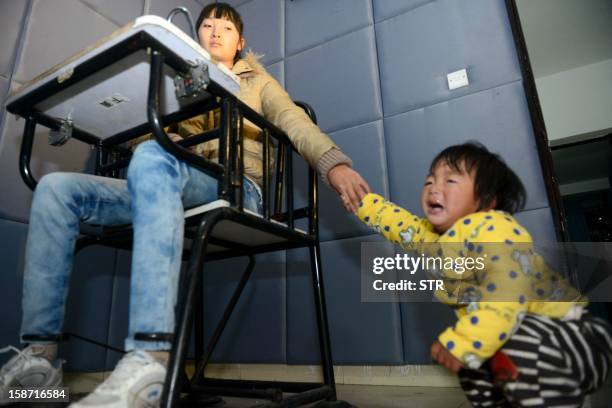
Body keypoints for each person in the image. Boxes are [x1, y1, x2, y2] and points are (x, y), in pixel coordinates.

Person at [0, 3, 370, 407]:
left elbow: (294, 121)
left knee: (153, 159)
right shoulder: (178, 78)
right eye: (206, 25)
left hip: (238, 191)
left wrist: (334, 165)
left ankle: (150, 361)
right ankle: (39, 364)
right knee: (56, 188)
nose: (213, 31)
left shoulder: (258, 82)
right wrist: (160, 139)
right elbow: (143, 135)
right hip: (168, 181)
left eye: (224, 26)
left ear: (240, 42)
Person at [356, 142, 612, 407]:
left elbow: (508, 292)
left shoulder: (494, 228)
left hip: (573, 336)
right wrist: (361, 202)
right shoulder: (433, 240)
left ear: (487, 201)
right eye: (429, 180)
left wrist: (465, 341)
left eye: (450, 180)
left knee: (493, 343)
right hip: (520, 334)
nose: (434, 187)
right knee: (474, 365)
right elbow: (400, 225)